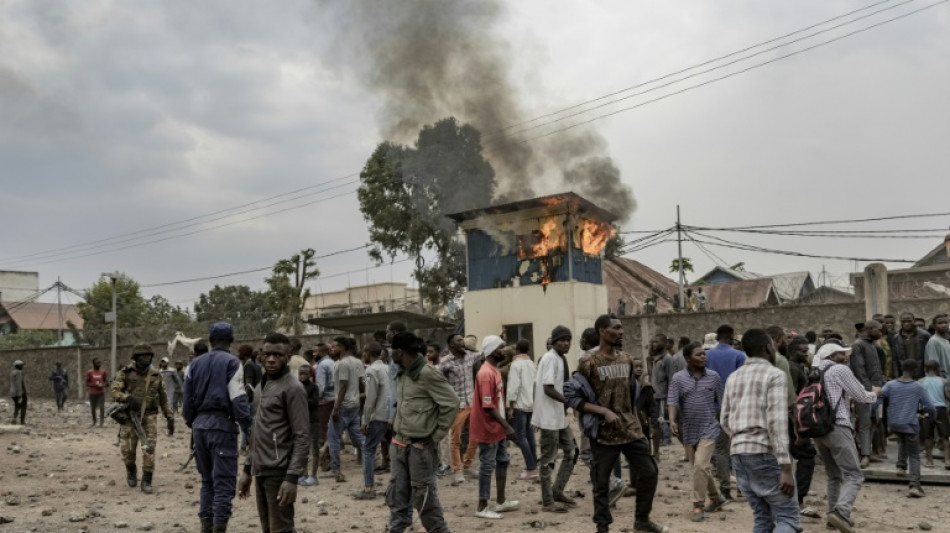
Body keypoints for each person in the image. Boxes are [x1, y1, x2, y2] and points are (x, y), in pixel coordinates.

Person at [574, 315, 667, 533]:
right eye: (616, 328)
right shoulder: (588, 363)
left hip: (629, 429)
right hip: (603, 433)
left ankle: (642, 520)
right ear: (602, 332)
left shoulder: (626, 359)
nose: (621, 332)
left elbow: (630, 394)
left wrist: (636, 421)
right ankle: (603, 527)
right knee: (601, 483)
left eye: (622, 328)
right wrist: (603, 411)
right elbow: (577, 399)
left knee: (649, 472)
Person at [720, 329, 799, 533]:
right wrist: (786, 467)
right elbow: (777, 422)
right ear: (767, 348)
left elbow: (724, 420)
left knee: (763, 518)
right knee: (788, 519)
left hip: (738, 454)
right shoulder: (775, 375)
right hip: (765, 454)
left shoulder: (733, 377)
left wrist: (742, 437)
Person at [183, 322, 253, 532]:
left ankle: (206, 526)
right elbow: (238, 399)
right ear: (231, 341)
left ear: (211, 340)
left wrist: (193, 423)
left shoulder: (194, 364)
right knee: (223, 482)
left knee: (207, 481)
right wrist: (248, 429)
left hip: (199, 427)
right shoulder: (232, 362)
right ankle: (219, 527)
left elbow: (187, 401)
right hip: (222, 427)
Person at [386, 331, 458, 533]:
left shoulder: (428, 374)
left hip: (420, 450)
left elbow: (451, 404)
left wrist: (435, 436)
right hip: (399, 445)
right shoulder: (403, 372)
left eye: (392, 350)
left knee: (425, 502)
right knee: (397, 499)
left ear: (399, 352)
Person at [237, 332, 310, 533]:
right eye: (267, 354)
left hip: (279, 471)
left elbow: (302, 436)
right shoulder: (263, 385)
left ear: (288, 356)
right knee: (268, 528)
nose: (271, 359)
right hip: (260, 469)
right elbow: (257, 430)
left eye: (277, 355)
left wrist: (292, 478)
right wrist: (247, 469)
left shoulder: (293, 388)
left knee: (282, 528)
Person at [813, 340, 880, 532]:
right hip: (838, 426)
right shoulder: (839, 370)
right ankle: (841, 512)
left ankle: (832, 516)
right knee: (854, 475)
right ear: (832, 356)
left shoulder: (814, 372)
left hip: (819, 430)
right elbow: (860, 395)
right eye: (842, 354)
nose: (846, 357)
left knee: (833, 475)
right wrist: (875, 393)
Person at [668, 342, 727, 523]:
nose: (703, 357)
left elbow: (723, 401)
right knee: (699, 468)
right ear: (687, 358)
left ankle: (698, 505)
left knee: (700, 466)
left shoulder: (714, 377)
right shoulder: (678, 379)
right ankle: (716, 497)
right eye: (698, 354)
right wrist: (671, 420)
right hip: (688, 429)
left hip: (709, 427)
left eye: (704, 354)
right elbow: (672, 401)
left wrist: (725, 422)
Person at [111, 344, 173, 494]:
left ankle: (147, 479)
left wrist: (169, 415)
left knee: (149, 448)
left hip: (150, 416)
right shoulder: (125, 373)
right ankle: (131, 469)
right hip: (130, 417)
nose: (147, 358)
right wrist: (127, 398)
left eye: (149, 355)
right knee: (127, 451)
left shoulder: (156, 375)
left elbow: (163, 398)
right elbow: (114, 391)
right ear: (136, 358)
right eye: (143, 355)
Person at [470, 335, 519, 519]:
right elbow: (487, 406)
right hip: (488, 426)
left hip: (497, 426)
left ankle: (500, 501)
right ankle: (482, 507)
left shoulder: (494, 369)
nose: (503, 351)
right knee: (487, 465)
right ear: (491, 350)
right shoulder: (485, 374)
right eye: (500, 348)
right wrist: (508, 426)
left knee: (503, 460)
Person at [533, 325, 577, 513]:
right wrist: (570, 401)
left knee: (571, 451)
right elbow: (548, 388)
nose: (565, 343)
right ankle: (547, 501)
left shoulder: (560, 359)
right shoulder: (550, 359)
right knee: (548, 459)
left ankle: (557, 490)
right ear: (554, 341)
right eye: (562, 340)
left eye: (568, 340)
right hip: (549, 417)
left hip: (558, 415)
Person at [880, 359, 935, 498]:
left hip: (895, 423)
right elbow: (929, 406)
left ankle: (900, 466)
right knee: (915, 455)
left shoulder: (890, 384)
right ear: (914, 371)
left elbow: (878, 397)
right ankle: (914, 485)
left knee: (902, 441)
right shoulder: (918, 387)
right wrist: (928, 415)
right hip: (910, 423)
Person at [704, 324, 746, 500]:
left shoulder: (706, 355)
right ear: (731, 336)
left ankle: (725, 489)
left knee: (721, 449)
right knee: (739, 447)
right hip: (736, 406)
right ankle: (742, 489)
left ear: (717, 337)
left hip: (713, 406)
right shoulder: (739, 355)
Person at [438, 333, 481, 485]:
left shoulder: (471, 356)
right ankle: (457, 470)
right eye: (459, 341)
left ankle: (468, 465)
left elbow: (486, 354)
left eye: (462, 340)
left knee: (475, 435)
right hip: (457, 405)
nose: (463, 342)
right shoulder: (445, 362)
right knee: (455, 439)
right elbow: (438, 381)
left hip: (472, 402)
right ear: (451, 346)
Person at [786, 337, 819, 519]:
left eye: (807, 351)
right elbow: (792, 401)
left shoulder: (800, 367)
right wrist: (797, 429)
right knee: (807, 455)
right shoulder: (791, 368)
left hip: (798, 419)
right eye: (802, 351)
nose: (806, 353)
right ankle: (797, 500)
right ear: (792, 351)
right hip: (794, 420)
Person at [354, 341, 391, 499]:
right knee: (395, 451)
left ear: (368, 353)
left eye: (364, 352)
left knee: (368, 450)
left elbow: (370, 399)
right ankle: (395, 488)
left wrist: (365, 420)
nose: (363, 355)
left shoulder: (371, 370)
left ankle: (369, 488)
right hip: (391, 416)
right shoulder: (388, 368)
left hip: (378, 416)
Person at [328, 336, 365, 482]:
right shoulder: (358, 362)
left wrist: (336, 408)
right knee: (357, 437)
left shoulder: (342, 363)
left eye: (335, 346)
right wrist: (362, 404)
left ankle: (336, 470)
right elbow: (362, 384)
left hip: (343, 405)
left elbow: (343, 385)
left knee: (334, 438)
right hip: (355, 405)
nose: (333, 349)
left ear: (343, 348)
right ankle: (369, 459)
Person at [850, 319, 886, 468]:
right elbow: (859, 370)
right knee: (864, 422)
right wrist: (868, 390)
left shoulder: (873, 345)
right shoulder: (858, 345)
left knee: (874, 421)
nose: (881, 333)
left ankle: (868, 452)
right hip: (864, 391)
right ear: (870, 328)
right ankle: (864, 455)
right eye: (879, 330)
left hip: (876, 390)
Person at [506, 338, 538, 481]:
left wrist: (510, 406)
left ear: (517, 350)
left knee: (521, 436)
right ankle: (533, 465)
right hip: (531, 403)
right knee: (529, 435)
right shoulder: (532, 364)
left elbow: (513, 387)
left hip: (519, 404)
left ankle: (531, 468)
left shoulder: (515, 365)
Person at [920, 360, 950, 468]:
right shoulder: (943, 381)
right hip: (941, 409)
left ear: (925, 369)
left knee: (928, 437)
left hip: (927, 410)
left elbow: (920, 399)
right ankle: (947, 461)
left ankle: (929, 461)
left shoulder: (921, 381)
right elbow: (948, 396)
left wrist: (919, 413)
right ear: (937, 369)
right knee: (945, 437)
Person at [297, 365, 320, 487]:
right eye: (301, 373)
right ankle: (303, 474)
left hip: (312, 421)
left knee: (314, 448)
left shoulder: (313, 387)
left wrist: (303, 398)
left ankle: (313, 475)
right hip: (300, 421)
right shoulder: (296, 387)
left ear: (310, 375)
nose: (302, 375)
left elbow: (315, 402)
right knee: (302, 448)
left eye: (305, 373)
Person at [237, 344, 262, 454]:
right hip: (257, 398)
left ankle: (244, 447)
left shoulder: (248, 366)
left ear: (244, 354)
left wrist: (244, 400)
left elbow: (249, 385)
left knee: (245, 424)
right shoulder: (255, 365)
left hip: (251, 399)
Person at [86, 358, 108, 427]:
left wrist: (102, 385)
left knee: (102, 407)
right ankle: (94, 421)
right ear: (93, 364)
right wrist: (95, 385)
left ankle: (101, 422)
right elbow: (87, 383)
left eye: (100, 363)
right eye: (97, 363)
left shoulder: (103, 372)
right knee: (93, 408)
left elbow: (107, 383)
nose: (99, 364)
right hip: (92, 393)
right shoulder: (90, 372)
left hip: (101, 393)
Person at [10, 360, 26, 425]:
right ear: (19, 366)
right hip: (19, 392)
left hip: (12, 393)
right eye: (21, 365)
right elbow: (19, 383)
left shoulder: (12, 373)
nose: (23, 366)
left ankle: (15, 417)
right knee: (23, 407)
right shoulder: (19, 373)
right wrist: (20, 394)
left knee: (17, 405)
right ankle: (22, 421)